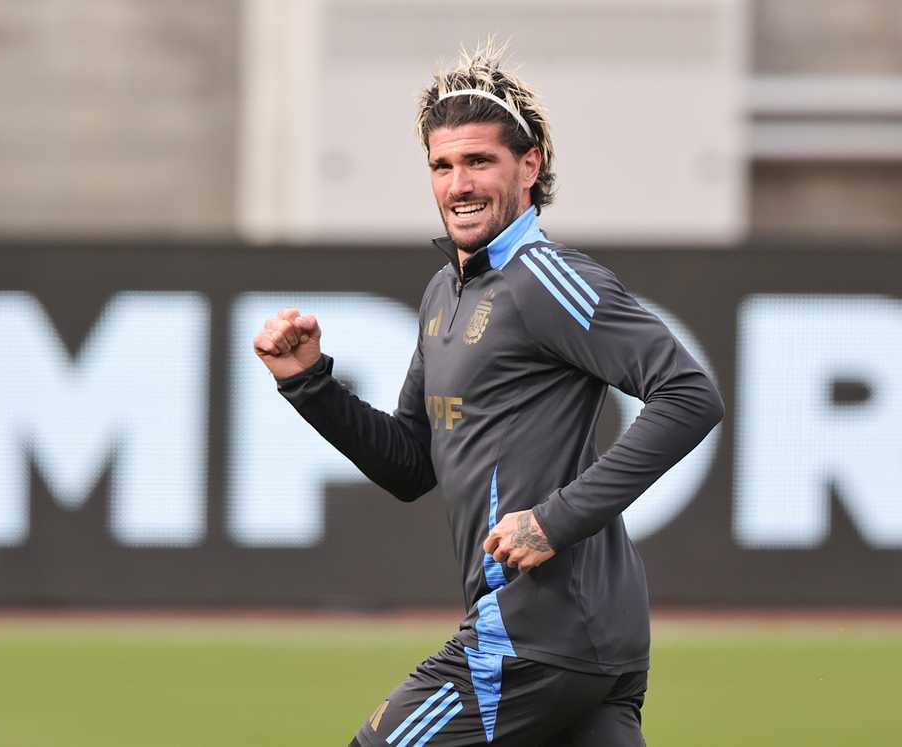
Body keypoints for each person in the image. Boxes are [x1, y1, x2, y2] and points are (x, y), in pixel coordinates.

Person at [252, 40, 723, 746]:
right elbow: (412, 464)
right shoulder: (444, 291)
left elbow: (689, 394)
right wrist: (310, 384)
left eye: (480, 161)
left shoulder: (545, 278)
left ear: (529, 166)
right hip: (586, 644)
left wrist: (554, 519)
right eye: (443, 165)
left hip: (535, 636)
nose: (458, 184)